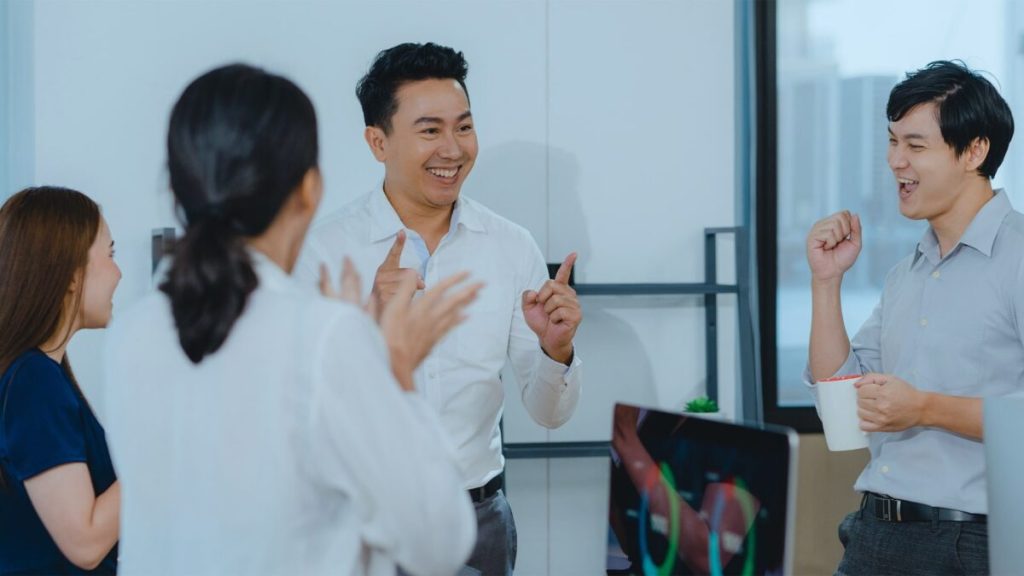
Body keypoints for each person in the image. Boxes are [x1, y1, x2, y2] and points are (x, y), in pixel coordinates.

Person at [103, 63, 480, 576]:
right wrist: (394, 373)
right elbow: (438, 544)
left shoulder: (132, 333)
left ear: (179, 188)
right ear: (309, 188)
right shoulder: (324, 337)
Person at [296, 42, 584, 575]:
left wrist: (556, 349)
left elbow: (550, 414)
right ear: (378, 142)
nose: (452, 149)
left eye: (464, 127)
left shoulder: (511, 246)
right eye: (430, 131)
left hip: (479, 523)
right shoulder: (324, 252)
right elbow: (295, 419)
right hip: (361, 526)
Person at [805, 60, 1020, 575]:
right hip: (876, 532)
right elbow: (842, 411)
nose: (895, 161)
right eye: (892, 141)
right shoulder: (907, 273)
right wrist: (826, 282)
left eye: (916, 146)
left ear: (975, 151)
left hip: (975, 541)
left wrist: (925, 408)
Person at [0, 186, 121, 574]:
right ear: (71, 274)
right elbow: (85, 542)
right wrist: (157, 449)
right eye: (110, 254)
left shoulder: (34, 376)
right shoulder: (33, 382)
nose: (119, 273)